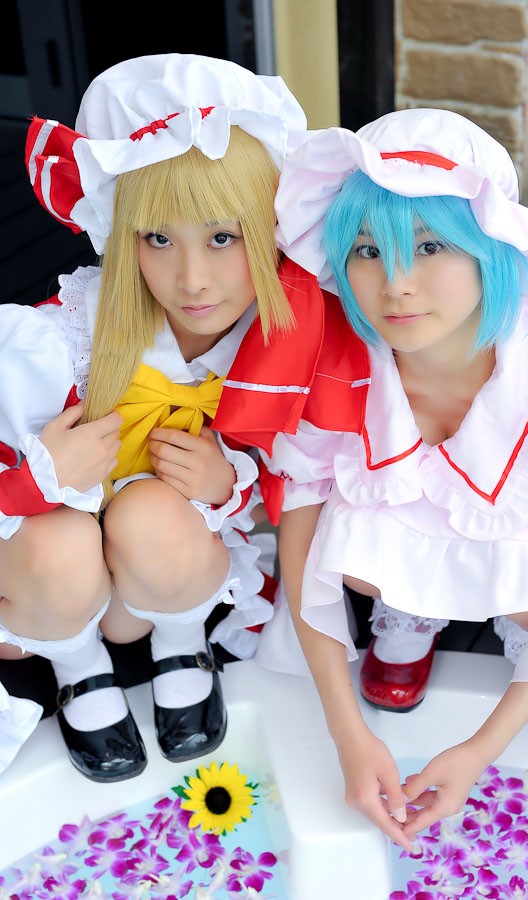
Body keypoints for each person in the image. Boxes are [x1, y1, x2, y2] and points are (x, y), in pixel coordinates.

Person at [257, 108, 528, 849]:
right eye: (366, 249)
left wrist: (480, 749)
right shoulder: (335, 358)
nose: (395, 284)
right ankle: (405, 616)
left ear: (491, 247)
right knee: (339, 533)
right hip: (402, 521)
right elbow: (300, 534)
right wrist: (347, 732)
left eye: (430, 245)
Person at [0, 52, 308, 781]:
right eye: (158, 238)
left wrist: (226, 481)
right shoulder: (56, 340)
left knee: (152, 516)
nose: (192, 279)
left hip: (158, 572)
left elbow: (298, 475)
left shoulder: (281, 339)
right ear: (120, 234)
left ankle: (180, 643)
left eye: (223, 237)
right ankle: (78, 669)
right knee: (57, 544)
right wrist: (35, 481)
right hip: (61, 584)